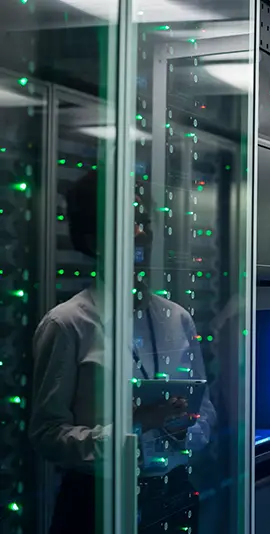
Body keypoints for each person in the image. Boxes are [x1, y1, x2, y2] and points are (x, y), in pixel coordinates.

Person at [29, 173, 215, 534]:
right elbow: (47, 435)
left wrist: (182, 428)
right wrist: (133, 427)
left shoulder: (177, 318)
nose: (144, 233)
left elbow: (206, 413)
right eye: (131, 222)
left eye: (145, 220)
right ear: (93, 239)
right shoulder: (67, 324)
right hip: (97, 503)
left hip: (173, 494)